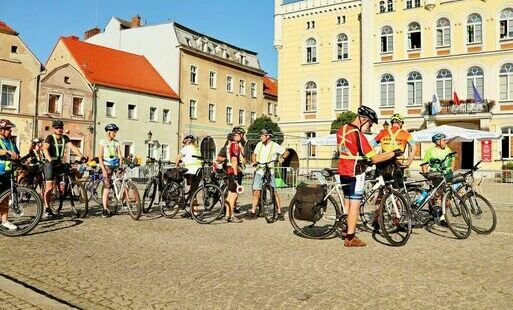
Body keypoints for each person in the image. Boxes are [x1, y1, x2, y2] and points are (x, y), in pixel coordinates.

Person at [337, 106, 401, 247]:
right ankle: (350, 238)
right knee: (355, 204)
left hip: (343, 171)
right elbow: (374, 158)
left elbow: (348, 150)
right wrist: (393, 153)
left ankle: (345, 229)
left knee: (347, 202)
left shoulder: (342, 129)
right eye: (370, 124)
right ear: (363, 119)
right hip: (355, 173)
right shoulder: (358, 134)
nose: (369, 127)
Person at [42, 120, 86, 218]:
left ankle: (69, 191)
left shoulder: (65, 138)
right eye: (57, 128)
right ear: (54, 129)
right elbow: (45, 148)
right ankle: (47, 208)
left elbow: (73, 147)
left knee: (71, 172)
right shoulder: (50, 138)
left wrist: (81, 156)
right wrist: (50, 159)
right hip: (50, 163)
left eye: (61, 127)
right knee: (49, 187)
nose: (59, 129)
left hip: (59, 162)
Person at [246, 128, 289, 221]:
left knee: (274, 192)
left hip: (270, 171)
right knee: (256, 192)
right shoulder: (259, 144)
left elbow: (286, 152)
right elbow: (254, 154)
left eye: (262, 135)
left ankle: (279, 212)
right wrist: (254, 161)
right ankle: (253, 212)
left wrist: (282, 158)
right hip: (259, 171)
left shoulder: (275, 145)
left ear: (268, 136)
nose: (260, 137)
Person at [98, 124, 123, 218]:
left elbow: (120, 155)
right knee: (107, 188)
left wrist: (121, 165)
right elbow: (100, 157)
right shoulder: (102, 142)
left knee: (124, 183)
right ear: (109, 132)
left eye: (116, 132)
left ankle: (125, 203)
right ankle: (104, 209)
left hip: (116, 165)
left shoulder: (116, 142)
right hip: (107, 165)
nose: (115, 134)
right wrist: (103, 169)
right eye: (114, 132)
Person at [0, 119, 20, 230]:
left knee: (5, 198)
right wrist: (5, 152)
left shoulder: (11, 141)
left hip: (7, 172)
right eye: (8, 129)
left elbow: (16, 153)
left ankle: (5, 221)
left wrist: (18, 157)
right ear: (1, 130)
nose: (10, 130)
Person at [224, 128, 244, 223]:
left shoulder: (229, 144)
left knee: (229, 194)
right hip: (234, 171)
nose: (242, 136)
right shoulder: (235, 145)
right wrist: (236, 175)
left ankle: (227, 214)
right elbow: (234, 160)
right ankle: (231, 215)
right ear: (236, 135)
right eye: (241, 134)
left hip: (229, 171)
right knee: (234, 195)